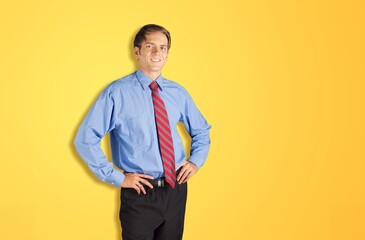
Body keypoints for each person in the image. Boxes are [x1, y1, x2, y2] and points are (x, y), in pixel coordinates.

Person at [74, 24, 211, 240]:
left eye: (163, 47)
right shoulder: (117, 93)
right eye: (150, 46)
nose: (157, 53)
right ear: (137, 52)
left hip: (175, 190)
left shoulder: (178, 92)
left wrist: (196, 161)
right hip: (140, 193)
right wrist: (117, 178)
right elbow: (85, 140)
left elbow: (202, 130)